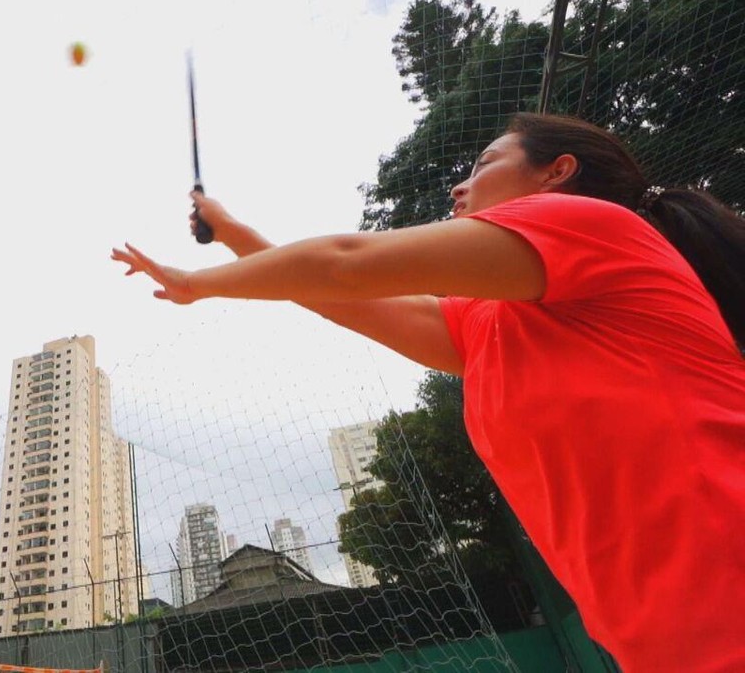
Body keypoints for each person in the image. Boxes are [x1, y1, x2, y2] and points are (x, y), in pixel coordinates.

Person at [112, 113, 745, 672]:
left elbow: (343, 262)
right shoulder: (488, 323)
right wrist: (232, 231)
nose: (459, 185)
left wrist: (196, 281)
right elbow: (341, 294)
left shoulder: (594, 225)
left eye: (485, 163)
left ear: (558, 173)